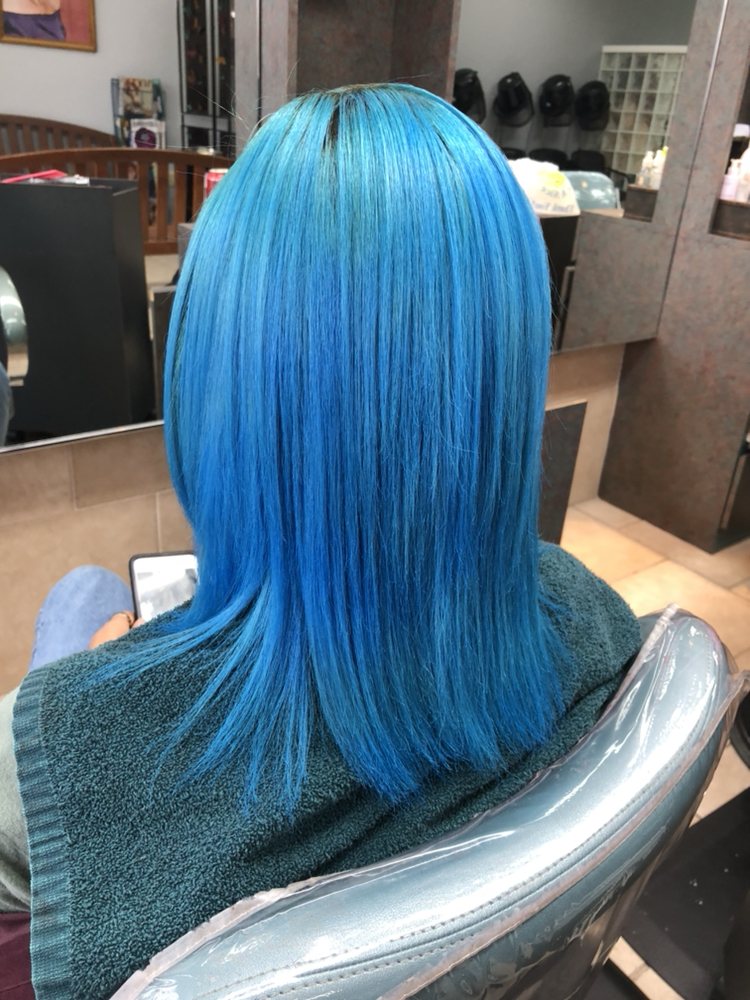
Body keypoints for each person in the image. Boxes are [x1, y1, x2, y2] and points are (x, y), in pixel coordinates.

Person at [0, 84, 641, 1000]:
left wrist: (102, 677)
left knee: (82, 592)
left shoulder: (56, 755)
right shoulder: (595, 618)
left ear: (215, 373)